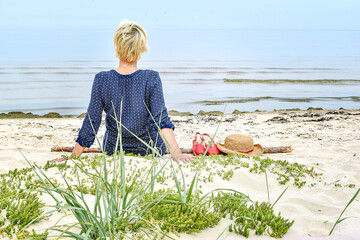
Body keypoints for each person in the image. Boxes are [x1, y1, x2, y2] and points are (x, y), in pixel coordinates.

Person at [52, 21, 193, 163]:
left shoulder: (102, 79)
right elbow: (161, 120)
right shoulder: (151, 77)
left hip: (114, 150)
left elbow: (91, 121)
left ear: (116, 46)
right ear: (142, 48)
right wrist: (177, 154)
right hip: (150, 149)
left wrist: (73, 158)